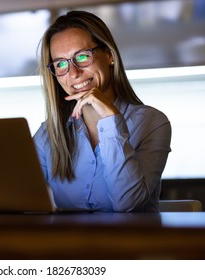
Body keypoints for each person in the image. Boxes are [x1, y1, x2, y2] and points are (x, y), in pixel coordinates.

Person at [33, 11, 171, 212]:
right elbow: (13, 192)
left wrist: (110, 119)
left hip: (129, 242)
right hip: (68, 243)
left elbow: (128, 205)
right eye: (61, 64)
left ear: (109, 55)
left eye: (82, 56)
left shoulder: (152, 122)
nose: (73, 73)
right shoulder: (49, 133)